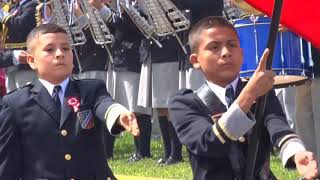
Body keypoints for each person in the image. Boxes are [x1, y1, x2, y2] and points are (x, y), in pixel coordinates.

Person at [168, 16, 318, 180]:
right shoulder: (184, 103)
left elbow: (278, 127)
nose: (226, 53)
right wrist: (249, 95)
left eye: (232, 45)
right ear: (195, 61)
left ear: (242, 52)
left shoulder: (262, 92)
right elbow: (208, 143)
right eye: (214, 47)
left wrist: (296, 152)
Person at [0, 23, 139, 179]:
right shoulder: (15, 104)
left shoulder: (91, 90)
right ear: (32, 60)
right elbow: (7, 167)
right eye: (49, 49)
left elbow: (104, 105)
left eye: (66, 48)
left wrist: (118, 115)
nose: (60, 54)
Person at [0, 0, 38, 92]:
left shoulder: (32, 5)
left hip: (25, 62)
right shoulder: (13, 8)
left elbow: (19, 25)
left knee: (26, 96)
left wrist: (1, 12)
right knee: (13, 97)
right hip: (9, 62)